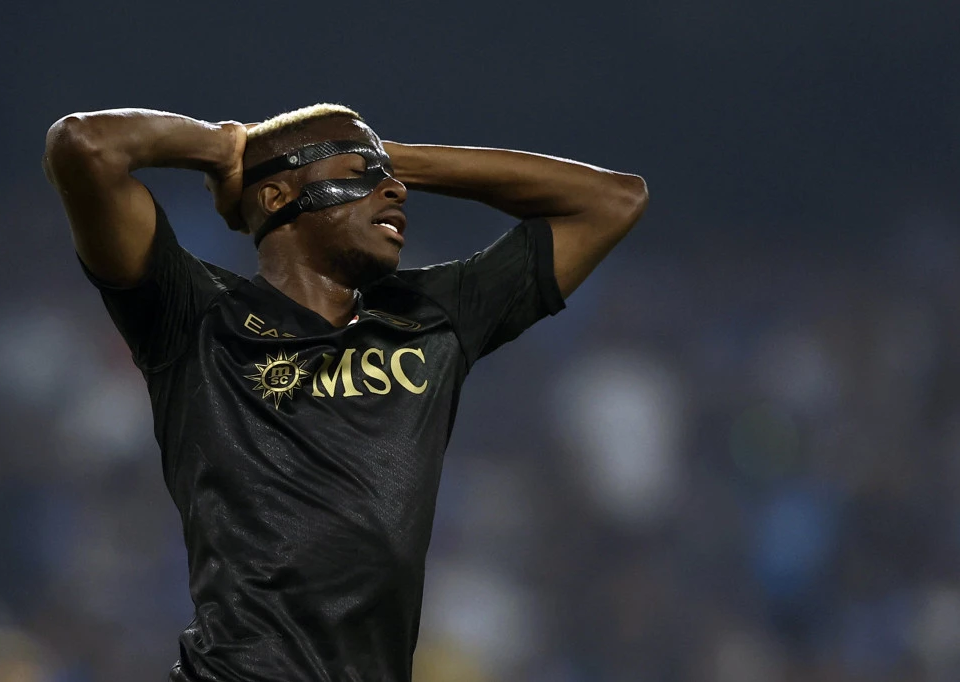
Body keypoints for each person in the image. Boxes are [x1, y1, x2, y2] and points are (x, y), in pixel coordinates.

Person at [42, 103, 648, 682]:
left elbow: (613, 200)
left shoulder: (432, 315)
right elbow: (84, 145)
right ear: (277, 197)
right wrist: (225, 146)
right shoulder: (194, 317)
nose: (396, 191)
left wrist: (392, 158)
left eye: (392, 179)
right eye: (360, 174)